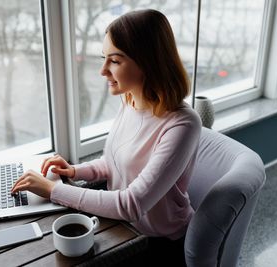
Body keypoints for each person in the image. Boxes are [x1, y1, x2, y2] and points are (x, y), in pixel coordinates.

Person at [12, 9, 201, 266]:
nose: (102, 70)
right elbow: (112, 164)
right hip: (122, 227)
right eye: (104, 58)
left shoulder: (183, 125)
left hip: (159, 243)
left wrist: (53, 190)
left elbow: (131, 204)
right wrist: (74, 171)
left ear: (148, 61)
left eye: (115, 60)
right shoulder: (130, 100)